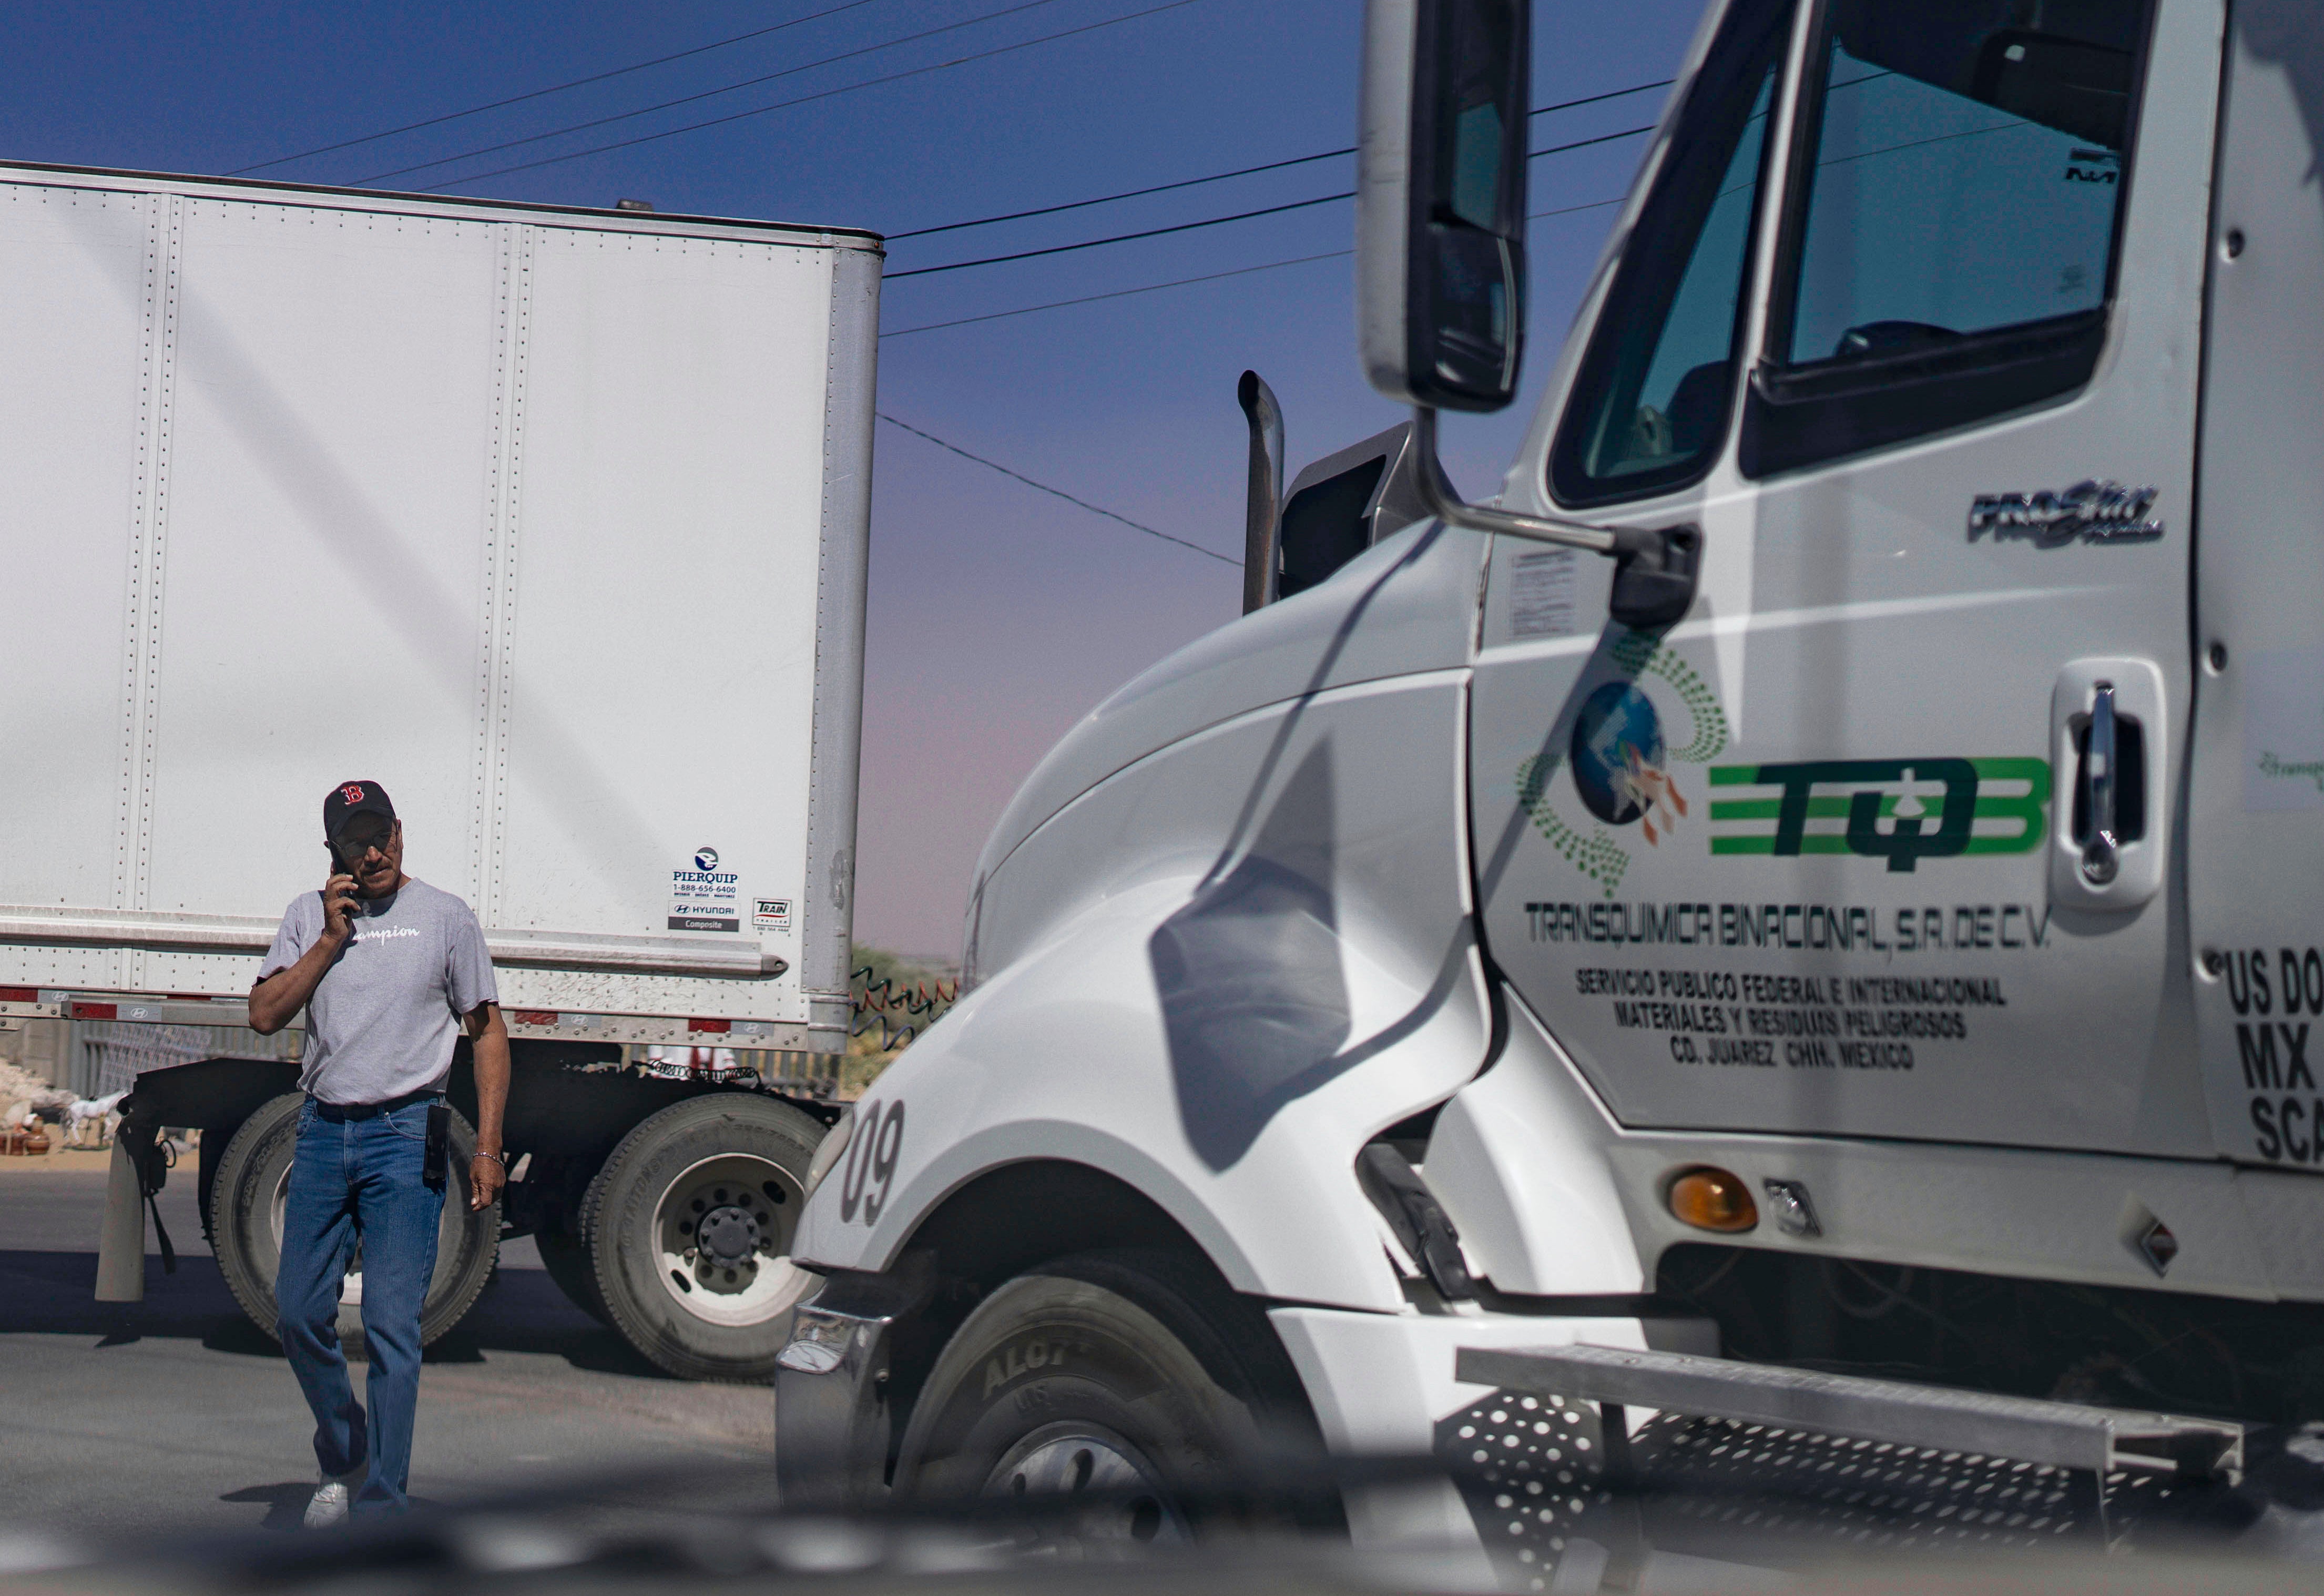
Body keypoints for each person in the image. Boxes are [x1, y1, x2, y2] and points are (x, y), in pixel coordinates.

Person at [249, 780, 510, 1526]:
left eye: (380, 835)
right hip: (326, 1133)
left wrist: (487, 1146)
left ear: (400, 831)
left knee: (396, 1325)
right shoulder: (309, 917)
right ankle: (344, 1450)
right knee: (299, 1314)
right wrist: (330, 943)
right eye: (355, 842)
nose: (373, 854)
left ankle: (385, 1503)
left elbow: (487, 1032)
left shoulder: (446, 919)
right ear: (334, 853)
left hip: (408, 1135)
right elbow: (264, 1015)